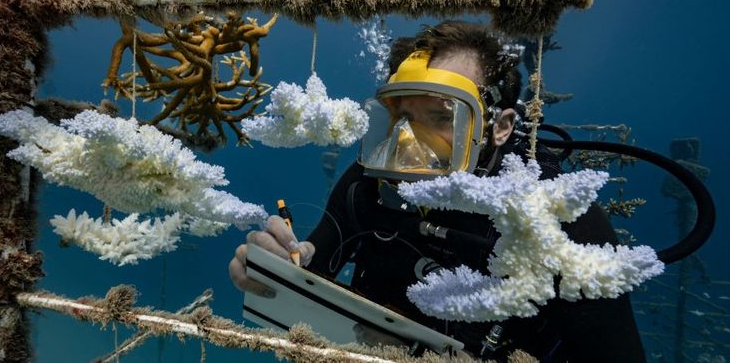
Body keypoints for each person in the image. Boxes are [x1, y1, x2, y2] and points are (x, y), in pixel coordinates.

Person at [229, 20, 646, 362]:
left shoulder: (562, 222)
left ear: (498, 128)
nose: (409, 142)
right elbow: (310, 273)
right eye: (401, 118)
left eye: (441, 117)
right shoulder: (366, 185)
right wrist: (278, 266)